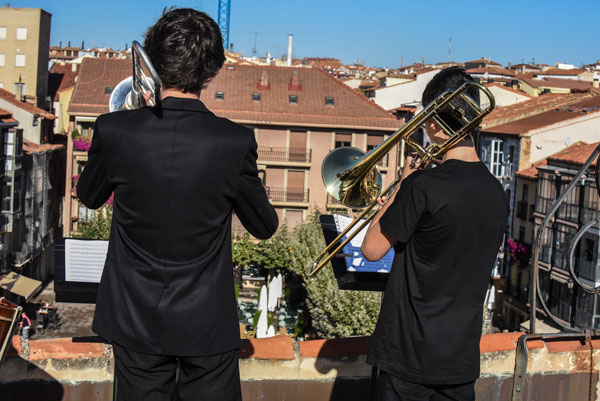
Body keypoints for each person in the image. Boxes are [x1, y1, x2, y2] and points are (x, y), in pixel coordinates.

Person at [77, 8, 278, 401]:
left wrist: (122, 136)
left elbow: (88, 195)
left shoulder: (114, 130)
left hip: (133, 320)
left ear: (152, 60)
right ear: (213, 68)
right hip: (208, 324)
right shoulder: (234, 142)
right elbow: (264, 225)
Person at [361, 67, 508, 401]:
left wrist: (401, 184)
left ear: (435, 125)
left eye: (427, 117)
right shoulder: (497, 192)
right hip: (460, 361)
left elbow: (371, 249)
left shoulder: (422, 186)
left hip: (408, 359)